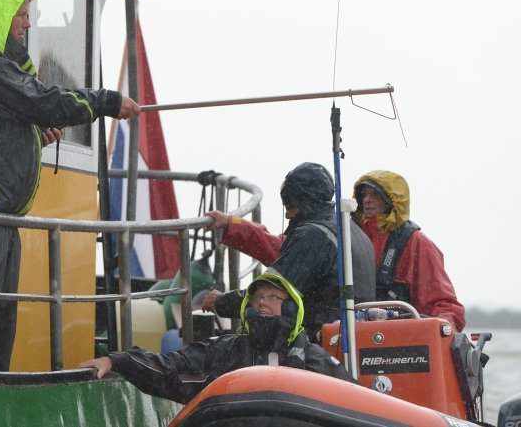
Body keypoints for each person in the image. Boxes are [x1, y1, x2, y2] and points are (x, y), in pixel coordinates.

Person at [0, 0, 140, 370]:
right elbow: (40, 99)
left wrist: (33, 139)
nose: (27, 24)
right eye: (22, 15)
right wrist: (106, 101)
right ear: (0, 16)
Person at [79, 274, 354, 403]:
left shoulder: (316, 360)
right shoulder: (225, 350)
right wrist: (118, 361)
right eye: (258, 297)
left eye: (272, 297)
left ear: (292, 308)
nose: (262, 304)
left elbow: (358, 403)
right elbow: (171, 368)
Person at [201, 162, 375, 340]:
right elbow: (279, 249)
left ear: (303, 202)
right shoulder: (351, 230)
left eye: (289, 205)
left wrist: (221, 302)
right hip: (357, 336)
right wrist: (232, 224)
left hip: (320, 342)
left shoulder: (312, 235)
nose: (287, 215)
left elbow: (269, 297)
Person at [352, 170, 465, 330]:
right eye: (364, 194)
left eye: (375, 194)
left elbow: (443, 302)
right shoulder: (350, 237)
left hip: (402, 339)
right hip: (355, 334)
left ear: (392, 201)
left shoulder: (415, 242)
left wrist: (444, 328)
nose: (367, 200)